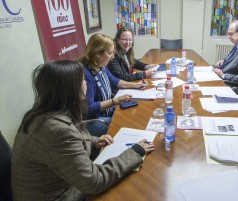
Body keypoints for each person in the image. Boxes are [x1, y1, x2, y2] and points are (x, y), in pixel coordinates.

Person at [11, 60, 155, 201]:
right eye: (83, 80)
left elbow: (71, 139)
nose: (86, 82)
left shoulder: (44, 112)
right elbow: (95, 182)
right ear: (71, 88)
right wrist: (134, 153)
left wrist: (94, 141)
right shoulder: (57, 131)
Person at [80, 33, 148, 136]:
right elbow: (89, 108)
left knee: (134, 114)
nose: (112, 57)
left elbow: (114, 81)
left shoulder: (100, 65)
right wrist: (115, 101)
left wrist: (136, 85)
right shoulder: (87, 74)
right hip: (94, 119)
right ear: (98, 53)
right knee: (127, 123)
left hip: (106, 111)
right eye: (110, 53)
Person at [213, 20, 238, 87]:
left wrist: (223, 75)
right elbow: (232, 59)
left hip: (229, 84)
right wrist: (224, 60)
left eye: (230, 34)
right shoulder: (237, 45)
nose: (228, 37)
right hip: (220, 76)